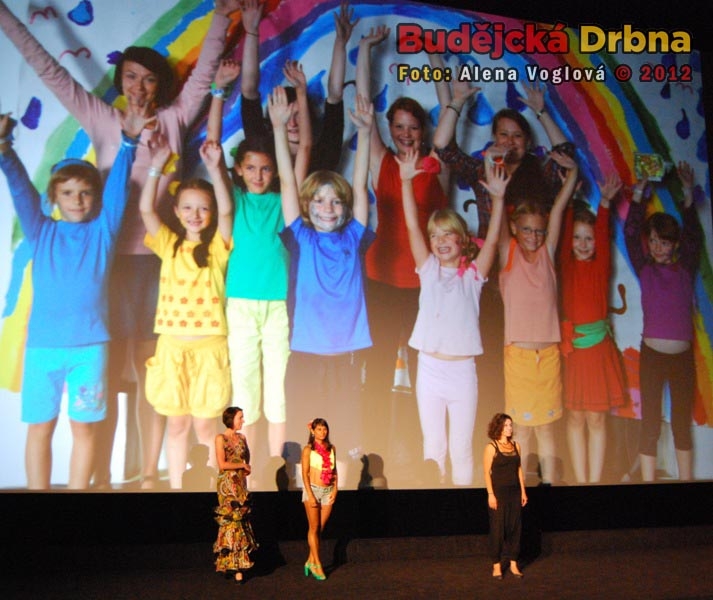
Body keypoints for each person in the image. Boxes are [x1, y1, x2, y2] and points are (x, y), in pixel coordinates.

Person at [0, 0, 241, 489]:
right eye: (131, 77)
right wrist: (6, 18)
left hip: (159, 264)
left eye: (149, 80)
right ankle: (101, 477)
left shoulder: (174, 119)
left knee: (156, 374)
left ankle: (150, 472)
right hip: (103, 267)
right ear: (120, 80)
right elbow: (51, 72)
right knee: (104, 376)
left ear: (159, 86)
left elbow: (202, 79)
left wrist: (222, 15)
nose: (139, 87)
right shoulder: (101, 118)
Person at [0, 111, 144, 489]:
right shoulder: (40, 231)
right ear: (54, 198)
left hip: (89, 350)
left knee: (84, 430)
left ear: (95, 197)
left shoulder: (102, 232)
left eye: (85, 193)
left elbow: (118, 192)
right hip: (42, 349)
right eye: (67, 193)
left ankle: (78, 501)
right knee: (40, 428)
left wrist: (129, 144)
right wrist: (4, 149)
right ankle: (38, 499)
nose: (77, 201)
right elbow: (20, 190)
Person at [269, 87, 375, 488]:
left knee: (343, 434)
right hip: (306, 355)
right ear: (307, 207)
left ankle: (340, 494)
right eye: (319, 201)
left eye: (335, 202)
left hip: (345, 358)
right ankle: (302, 494)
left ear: (345, 209)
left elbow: (360, 186)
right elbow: (286, 181)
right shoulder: (302, 238)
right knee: (305, 432)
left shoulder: (354, 238)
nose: (327, 208)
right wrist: (279, 129)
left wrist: (365, 133)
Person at [356, 25, 449, 458]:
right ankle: (373, 451)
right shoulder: (382, 160)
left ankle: (420, 451)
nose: (406, 133)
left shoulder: (435, 163)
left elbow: (449, 109)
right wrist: (364, 49)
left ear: (423, 130)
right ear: (390, 128)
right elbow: (363, 105)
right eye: (398, 126)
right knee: (377, 367)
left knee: (425, 370)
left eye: (413, 127)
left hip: (422, 284)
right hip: (379, 276)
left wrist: (433, 54)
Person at [207, 58, 299, 485]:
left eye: (266, 168)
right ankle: (246, 471)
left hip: (277, 304)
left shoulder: (283, 202)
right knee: (245, 389)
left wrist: (279, 128)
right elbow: (212, 154)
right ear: (238, 170)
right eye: (250, 168)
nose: (259, 175)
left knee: (278, 389)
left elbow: (294, 174)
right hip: (241, 303)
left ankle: (277, 470)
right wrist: (218, 93)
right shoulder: (234, 201)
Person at [397, 148, 506, 485]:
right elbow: (411, 225)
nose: (440, 240)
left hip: (462, 373)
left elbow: (493, 242)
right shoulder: (428, 269)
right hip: (429, 369)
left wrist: (499, 199)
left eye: (447, 234)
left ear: (461, 239)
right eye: (435, 235)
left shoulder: (473, 276)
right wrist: (405, 181)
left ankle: (461, 501)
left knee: (461, 448)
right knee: (433, 447)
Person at [139, 134, 234, 489]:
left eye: (203, 208)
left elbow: (228, 211)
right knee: (176, 424)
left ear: (211, 214)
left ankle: (211, 489)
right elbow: (146, 210)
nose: (195, 215)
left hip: (210, 348)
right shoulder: (169, 244)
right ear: (177, 212)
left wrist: (216, 169)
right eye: (188, 208)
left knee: (206, 426)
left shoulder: (219, 247)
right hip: (172, 348)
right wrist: (155, 167)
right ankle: (178, 489)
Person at [497, 151, 578, 485]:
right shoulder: (508, 253)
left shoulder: (547, 253)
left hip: (548, 357)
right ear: (515, 228)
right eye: (527, 230)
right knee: (522, 430)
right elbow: (499, 221)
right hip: (518, 358)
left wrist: (572, 174)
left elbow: (558, 209)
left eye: (539, 231)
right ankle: (521, 491)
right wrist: (498, 195)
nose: (533, 236)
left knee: (546, 430)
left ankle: (550, 488)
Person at [624, 162, 703, 482]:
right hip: (652, 357)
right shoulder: (646, 269)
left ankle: (686, 484)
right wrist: (639, 193)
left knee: (681, 423)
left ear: (675, 245)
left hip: (682, 359)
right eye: (654, 241)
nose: (658, 248)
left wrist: (687, 194)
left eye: (665, 242)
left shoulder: (685, 268)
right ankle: (648, 485)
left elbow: (694, 235)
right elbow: (631, 235)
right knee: (651, 423)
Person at [559, 176, 628, 483]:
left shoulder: (601, 268)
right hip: (574, 352)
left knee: (597, 419)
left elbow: (602, 229)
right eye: (577, 238)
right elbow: (563, 238)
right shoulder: (566, 265)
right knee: (575, 418)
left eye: (589, 238)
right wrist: (570, 202)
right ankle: (580, 480)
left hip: (598, 352)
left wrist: (605, 203)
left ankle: (595, 483)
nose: (583, 244)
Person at [239, 0, 357, 178]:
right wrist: (252, 32)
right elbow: (249, 90)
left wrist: (341, 43)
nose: (292, 124)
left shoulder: (324, 151)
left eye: (298, 115)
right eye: (287, 116)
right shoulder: (262, 149)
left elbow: (335, 96)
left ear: (309, 115)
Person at [214, 406, 258, 584]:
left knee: (242, 521)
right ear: (231, 419)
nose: (243, 420)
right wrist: (242, 465)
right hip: (227, 485)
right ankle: (233, 565)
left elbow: (247, 458)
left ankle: (239, 562)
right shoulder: (221, 438)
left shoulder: (242, 438)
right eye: (240, 417)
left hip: (240, 483)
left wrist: (246, 468)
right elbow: (222, 464)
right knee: (232, 521)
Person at [483, 413, 527, 579]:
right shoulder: (491, 447)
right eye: (506, 425)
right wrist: (491, 494)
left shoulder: (516, 446)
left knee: (515, 528)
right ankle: (496, 565)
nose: (509, 428)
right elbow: (486, 473)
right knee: (498, 529)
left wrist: (523, 491)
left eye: (510, 425)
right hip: (498, 494)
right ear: (499, 427)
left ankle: (514, 564)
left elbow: (519, 470)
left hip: (514, 493)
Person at [301, 418, 338, 581]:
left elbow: (334, 470)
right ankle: (317, 563)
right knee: (314, 527)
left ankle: (310, 561)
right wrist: (310, 494)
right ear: (313, 431)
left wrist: (335, 488)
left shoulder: (331, 448)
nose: (322, 432)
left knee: (320, 528)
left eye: (324, 429)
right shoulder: (308, 449)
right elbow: (304, 474)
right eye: (319, 429)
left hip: (328, 491)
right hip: (313, 490)